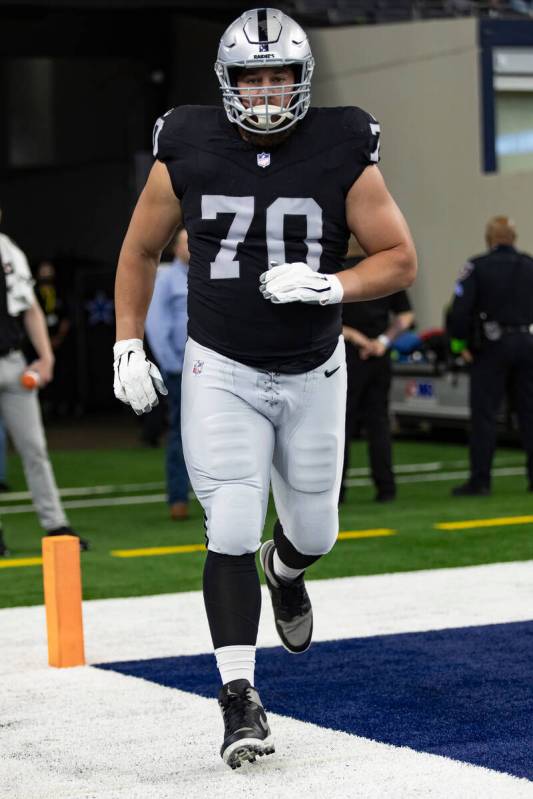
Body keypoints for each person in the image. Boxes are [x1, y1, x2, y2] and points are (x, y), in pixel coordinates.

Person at [113, 7, 416, 769]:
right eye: (251, 75)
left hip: (314, 367)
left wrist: (330, 282)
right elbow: (141, 248)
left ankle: (285, 573)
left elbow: (399, 259)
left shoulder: (343, 144)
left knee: (314, 532)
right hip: (223, 368)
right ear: (227, 81)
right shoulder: (185, 140)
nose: (266, 89)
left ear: (302, 77)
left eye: (278, 73)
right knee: (231, 525)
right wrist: (126, 339)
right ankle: (238, 697)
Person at [0, 211, 89, 554]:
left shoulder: (8, 249)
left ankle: (56, 526)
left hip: (12, 361)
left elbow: (30, 307)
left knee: (35, 448)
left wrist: (46, 357)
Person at [448, 216, 533, 496]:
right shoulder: (529, 266)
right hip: (527, 344)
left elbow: (459, 312)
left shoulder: (477, 267)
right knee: (529, 413)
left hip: (491, 348)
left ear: (490, 239)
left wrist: (460, 347)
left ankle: (480, 480)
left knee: (485, 415)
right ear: (513, 238)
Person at [341, 238, 414, 503]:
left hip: (347, 354)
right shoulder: (384, 272)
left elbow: (325, 316)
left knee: (342, 423)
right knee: (379, 422)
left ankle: (337, 491)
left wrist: (357, 339)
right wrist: (382, 341)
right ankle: (386, 488)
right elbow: (406, 316)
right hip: (379, 355)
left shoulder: (336, 272)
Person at [145, 226, 190, 520]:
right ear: (175, 248)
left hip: (212, 368)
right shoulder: (166, 279)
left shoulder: (208, 276)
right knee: (180, 433)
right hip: (179, 369)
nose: (192, 247)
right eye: (187, 242)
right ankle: (178, 498)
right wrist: (171, 364)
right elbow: (156, 324)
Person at [33, 259, 73, 417]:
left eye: (49, 272)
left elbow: (66, 318)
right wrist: (43, 342)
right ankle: (43, 407)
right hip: (38, 344)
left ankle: (62, 406)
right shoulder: (33, 293)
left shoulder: (60, 292)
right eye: (43, 272)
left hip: (58, 343)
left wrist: (58, 338)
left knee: (61, 373)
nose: (46, 276)